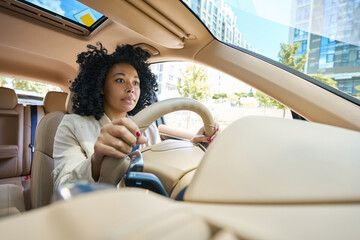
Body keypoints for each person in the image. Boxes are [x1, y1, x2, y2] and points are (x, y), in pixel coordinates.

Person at [52, 43, 218, 189]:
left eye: (136, 82)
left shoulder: (149, 129)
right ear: (101, 87)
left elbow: (159, 167)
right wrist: (96, 161)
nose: (131, 88)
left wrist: (194, 146)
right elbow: (64, 186)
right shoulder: (71, 125)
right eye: (120, 80)